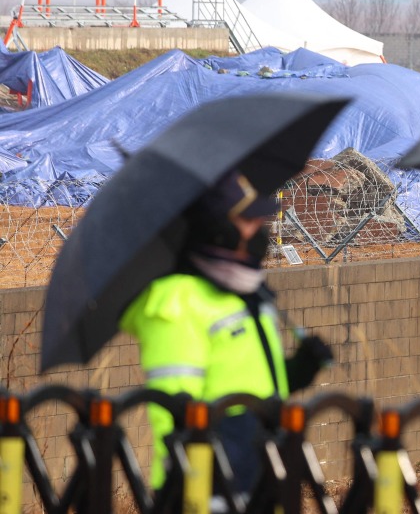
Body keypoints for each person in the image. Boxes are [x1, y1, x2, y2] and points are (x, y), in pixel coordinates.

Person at [120, 169, 333, 496]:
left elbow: (249, 382)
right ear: (215, 226)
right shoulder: (177, 302)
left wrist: (300, 369)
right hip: (206, 482)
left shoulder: (245, 293)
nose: (257, 230)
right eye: (246, 220)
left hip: (259, 466)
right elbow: (174, 411)